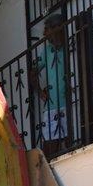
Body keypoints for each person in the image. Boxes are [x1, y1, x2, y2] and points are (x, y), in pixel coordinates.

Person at [37, 12, 69, 146]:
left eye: (47, 29)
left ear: (57, 28)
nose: (44, 34)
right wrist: (40, 93)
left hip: (69, 103)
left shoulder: (70, 45)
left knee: (70, 142)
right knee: (50, 146)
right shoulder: (47, 51)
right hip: (52, 106)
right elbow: (32, 72)